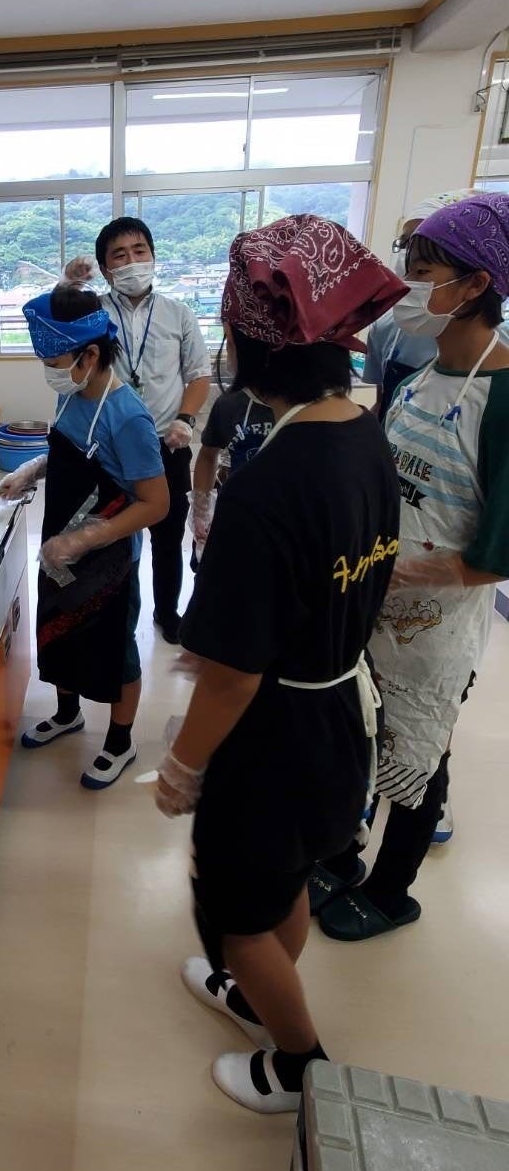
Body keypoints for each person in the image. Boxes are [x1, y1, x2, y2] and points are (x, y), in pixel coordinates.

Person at [154, 215, 405, 1113]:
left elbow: (231, 676)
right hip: (340, 708)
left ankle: (300, 1064)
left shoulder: (268, 486)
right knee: (288, 875)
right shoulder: (365, 440)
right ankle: (252, 991)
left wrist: (184, 766)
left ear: (246, 346)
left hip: (274, 739)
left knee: (239, 911)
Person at [314, 194, 509, 942]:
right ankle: (342, 855)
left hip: (436, 625)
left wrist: (415, 570)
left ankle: (392, 890)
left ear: (475, 285)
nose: (410, 286)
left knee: (418, 751)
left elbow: (502, 548)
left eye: (424, 271)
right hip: (374, 603)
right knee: (366, 732)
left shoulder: (506, 400)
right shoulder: (422, 378)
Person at [0, 284, 169, 789]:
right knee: (60, 629)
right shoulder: (72, 394)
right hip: (60, 541)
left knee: (115, 647)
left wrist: (88, 540)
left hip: (107, 557)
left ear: (89, 354)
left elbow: (155, 504)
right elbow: (77, 454)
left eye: (53, 358)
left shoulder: (129, 415)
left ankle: (120, 742)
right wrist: (33, 469)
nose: (48, 369)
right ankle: (68, 712)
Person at [65, 218, 210, 643]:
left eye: (139, 250)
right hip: (107, 449)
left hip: (168, 442)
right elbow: (60, 344)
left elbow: (199, 375)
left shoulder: (178, 313)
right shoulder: (93, 313)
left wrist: (186, 419)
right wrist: (67, 285)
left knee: (167, 536)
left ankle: (167, 612)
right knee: (110, 534)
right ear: (105, 267)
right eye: (119, 254)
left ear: (153, 256)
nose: (132, 260)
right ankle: (110, 611)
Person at [364, 191, 486, 420]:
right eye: (405, 243)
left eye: (424, 248)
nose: (409, 256)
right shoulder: (387, 327)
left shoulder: (499, 350)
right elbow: (382, 406)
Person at [191, 387, 274, 557]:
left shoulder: (307, 407)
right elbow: (208, 455)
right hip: (238, 511)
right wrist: (201, 510)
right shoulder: (231, 402)